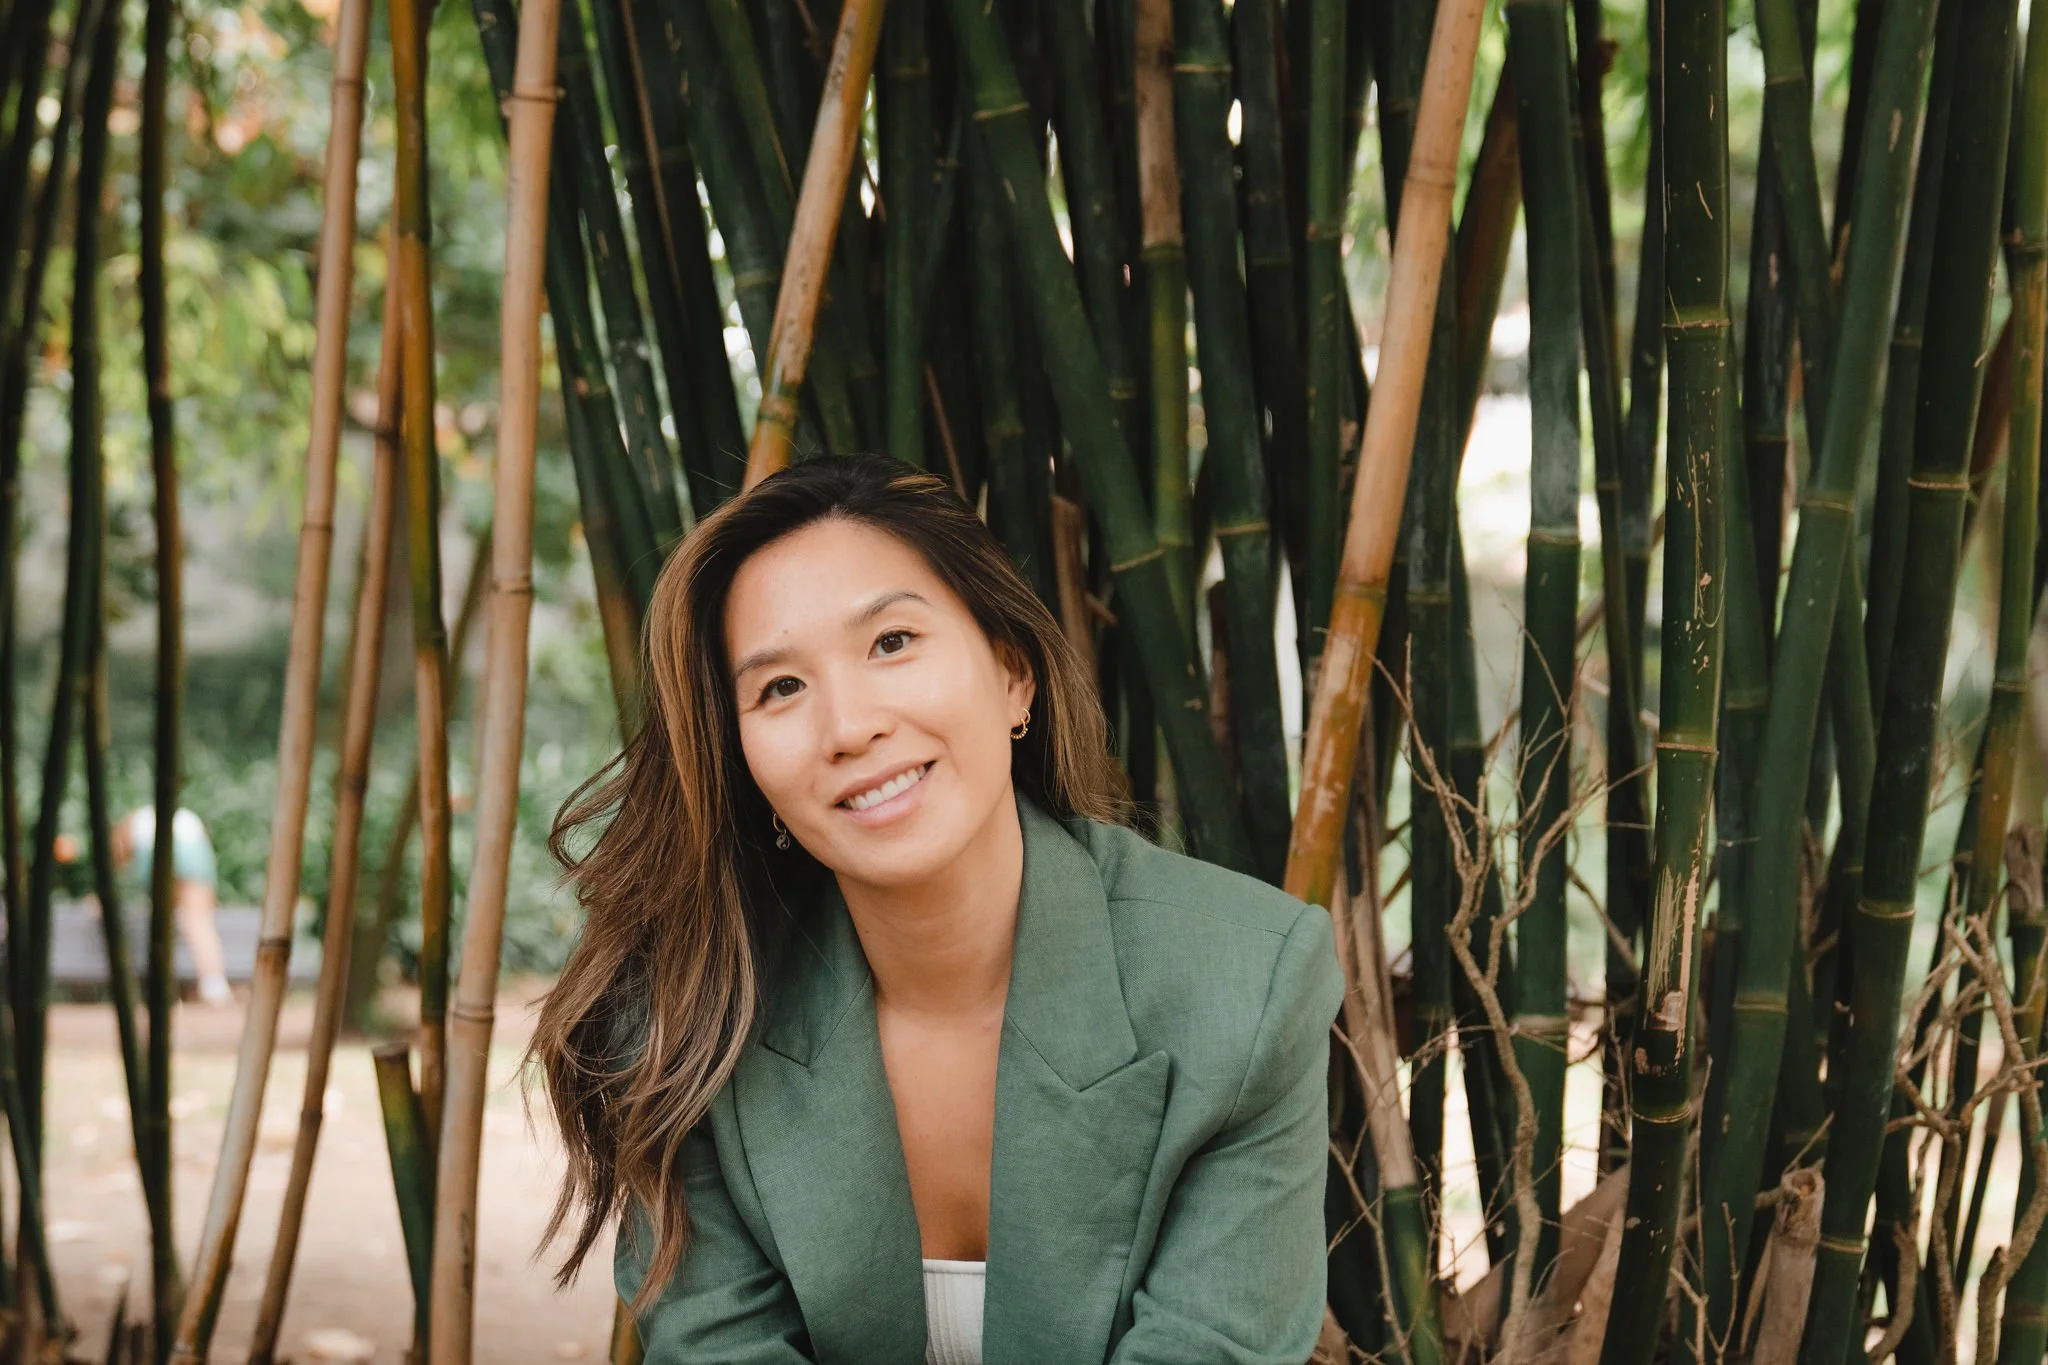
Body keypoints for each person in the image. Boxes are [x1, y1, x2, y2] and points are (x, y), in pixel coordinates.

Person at [529, 455, 1344, 1364]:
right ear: (743, 763)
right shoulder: (690, 1015)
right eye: (780, 688)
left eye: (891, 643)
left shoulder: (1245, 984)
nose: (849, 726)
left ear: (1013, 674)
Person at [112, 805, 234, 1006]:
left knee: (165, 921)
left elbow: (118, 853)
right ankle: (214, 985)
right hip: (192, 849)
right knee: (197, 920)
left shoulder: (133, 820)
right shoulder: (184, 817)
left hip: (152, 848)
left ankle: (166, 991)